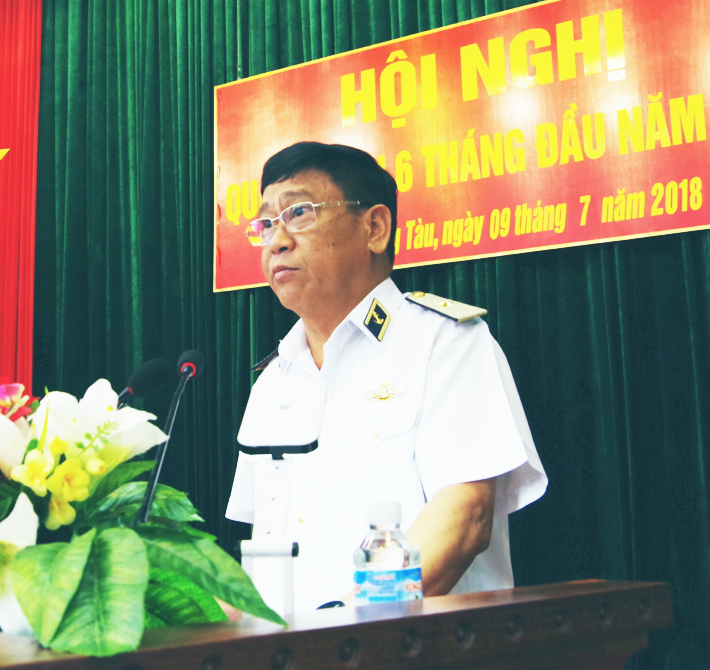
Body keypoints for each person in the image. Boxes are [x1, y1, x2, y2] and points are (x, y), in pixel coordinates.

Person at [226, 142, 547, 612]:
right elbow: (266, 547)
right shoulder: (273, 380)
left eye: (299, 213)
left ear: (374, 228)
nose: (277, 240)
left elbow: (464, 518)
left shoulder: (444, 343)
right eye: (267, 224)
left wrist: (343, 629)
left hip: (407, 645)